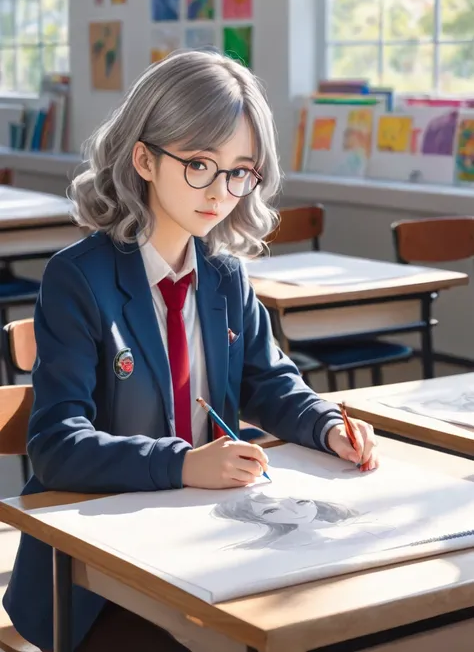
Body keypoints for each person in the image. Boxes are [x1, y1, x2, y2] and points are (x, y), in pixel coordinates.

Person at [4, 50, 378, 652]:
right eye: (200, 164)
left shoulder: (225, 274)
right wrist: (181, 463)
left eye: (240, 171)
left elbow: (269, 383)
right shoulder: (78, 278)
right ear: (144, 158)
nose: (221, 191)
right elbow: (55, 446)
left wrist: (325, 425)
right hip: (97, 574)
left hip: (210, 546)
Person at [212, 492, 396, 550]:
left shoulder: (368, 522)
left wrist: (326, 427)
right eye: (271, 510)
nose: (293, 509)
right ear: (256, 520)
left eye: (300, 501)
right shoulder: (283, 545)